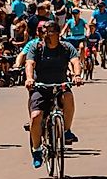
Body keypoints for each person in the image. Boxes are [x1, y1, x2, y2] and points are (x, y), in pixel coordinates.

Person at [23, 20, 84, 169]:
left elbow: (75, 61)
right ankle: (36, 150)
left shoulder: (66, 47)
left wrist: (77, 75)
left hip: (60, 86)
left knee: (68, 97)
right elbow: (29, 63)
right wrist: (30, 78)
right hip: (41, 87)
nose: (46, 34)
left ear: (57, 33)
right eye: (44, 31)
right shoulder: (36, 47)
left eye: (49, 31)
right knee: (36, 116)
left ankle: (66, 130)